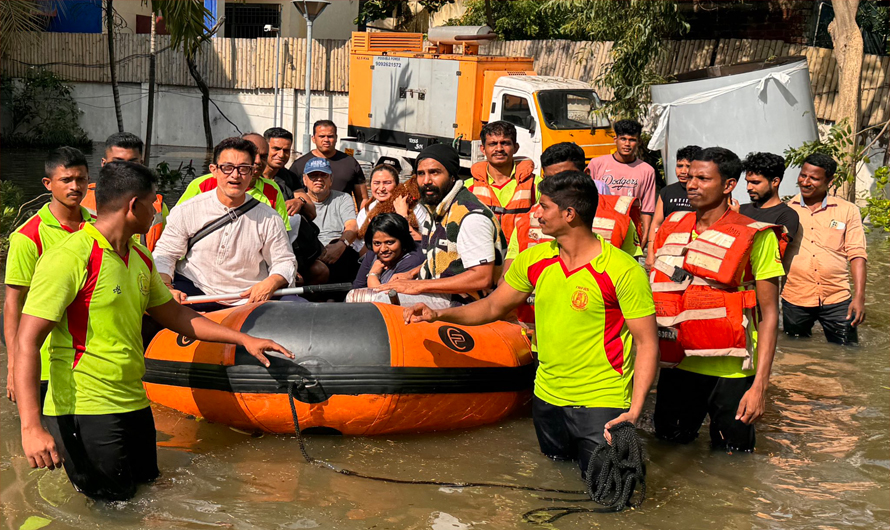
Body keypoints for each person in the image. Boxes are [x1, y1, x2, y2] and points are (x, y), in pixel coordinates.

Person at [13, 160, 292, 501]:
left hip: (133, 399)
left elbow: (175, 314)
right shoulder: (70, 257)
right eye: (152, 204)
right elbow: (27, 341)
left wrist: (243, 338)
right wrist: (31, 427)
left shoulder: (140, 256)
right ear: (133, 205)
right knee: (110, 508)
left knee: (146, 493)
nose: (157, 213)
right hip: (83, 407)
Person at [405, 171, 658, 477]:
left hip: (602, 402)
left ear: (569, 214)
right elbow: (493, 306)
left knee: (609, 492)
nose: (536, 214)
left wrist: (634, 411)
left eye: (544, 207)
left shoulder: (623, 270)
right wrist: (437, 315)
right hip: (547, 398)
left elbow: (647, 343)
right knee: (554, 477)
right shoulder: (535, 259)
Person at [650, 147, 784, 453]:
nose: (691, 184)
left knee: (734, 459)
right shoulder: (671, 226)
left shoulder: (757, 235)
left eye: (703, 178)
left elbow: (769, 314)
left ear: (728, 185)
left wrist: (760, 386)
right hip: (678, 365)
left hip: (732, 372)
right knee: (666, 450)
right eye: (690, 177)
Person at [152, 137, 297, 311]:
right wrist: (166, 287)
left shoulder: (269, 218)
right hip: (195, 290)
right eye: (227, 168)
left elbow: (284, 261)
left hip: (250, 297)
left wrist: (271, 282)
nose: (235, 175)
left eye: (243, 168)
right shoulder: (187, 210)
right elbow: (165, 254)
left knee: (299, 309)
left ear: (252, 172)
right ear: (214, 170)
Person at [4, 147, 93, 404]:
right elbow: (13, 303)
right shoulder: (27, 236)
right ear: (48, 183)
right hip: (44, 361)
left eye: (81, 179)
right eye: (66, 180)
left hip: (89, 359)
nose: (75, 186)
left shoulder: (98, 227)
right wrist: (14, 364)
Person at [382, 144, 505, 308]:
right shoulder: (437, 209)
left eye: (435, 172)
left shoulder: (471, 217)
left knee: (370, 300)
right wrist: (411, 274)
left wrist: (417, 285)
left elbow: (482, 278)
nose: (426, 181)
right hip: (442, 294)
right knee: (363, 295)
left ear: (452, 176)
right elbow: (444, 261)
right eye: (421, 173)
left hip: (467, 305)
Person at [506, 142, 640, 277]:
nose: (557, 187)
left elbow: (631, 274)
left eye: (566, 178)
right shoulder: (529, 219)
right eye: (550, 180)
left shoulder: (618, 217)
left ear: (586, 174)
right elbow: (508, 278)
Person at [782, 153, 867, 345]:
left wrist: (859, 298)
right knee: (794, 350)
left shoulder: (847, 210)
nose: (805, 182)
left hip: (837, 297)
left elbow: (857, 254)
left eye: (814, 178)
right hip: (795, 296)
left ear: (830, 181)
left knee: (847, 352)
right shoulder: (786, 210)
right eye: (803, 175)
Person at [177, 133, 291, 231]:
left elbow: (280, 233)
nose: (257, 161)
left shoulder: (272, 190)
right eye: (252, 155)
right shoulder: (202, 185)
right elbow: (178, 224)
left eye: (263, 157)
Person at [81, 132, 168, 251]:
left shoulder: (157, 206)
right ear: (104, 164)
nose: (125, 169)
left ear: (142, 165)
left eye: (132, 163)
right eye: (117, 163)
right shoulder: (81, 199)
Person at [464, 121, 539, 240]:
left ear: (516, 148)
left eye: (505, 143)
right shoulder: (468, 187)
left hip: (523, 251)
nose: (499, 149)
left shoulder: (536, 184)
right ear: (483, 149)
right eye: (493, 144)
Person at [587, 119, 656, 244]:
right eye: (623, 139)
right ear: (615, 140)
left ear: (639, 142)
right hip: (600, 227)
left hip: (630, 230)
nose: (627, 144)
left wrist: (645, 235)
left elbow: (647, 209)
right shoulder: (596, 164)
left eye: (632, 140)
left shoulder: (647, 170)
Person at [732, 152, 800, 271]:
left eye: (755, 182)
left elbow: (772, 253)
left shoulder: (787, 216)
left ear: (775, 182)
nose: (749, 187)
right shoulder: (741, 209)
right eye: (747, 182)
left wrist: (738, 221)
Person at [303, 156, 361, 288]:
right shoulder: (298, 201)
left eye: (323, 175)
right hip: (310, 255)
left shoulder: (343, 198)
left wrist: (341, 244)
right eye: (313, 175)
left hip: (338, 254)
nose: (319, 179)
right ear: (304, 180)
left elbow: (352, 226)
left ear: (331, 180)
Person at [645, 145, 701, 269]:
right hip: (667, 253)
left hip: (694, 254)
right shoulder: (667, 192)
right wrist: (650, 253)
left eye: (688, 166)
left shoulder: (704, 192)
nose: (683, 171)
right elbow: (656, 223)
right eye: (679, 166)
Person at [291, 120, 367, 206]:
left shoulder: (350, 163)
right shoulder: (299, 165)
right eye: (322, 136)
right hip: (310, 213)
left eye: (330, 136)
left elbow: (363, 199)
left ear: (336, 138)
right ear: (313, 138)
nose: (326, 140)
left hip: (342, 213)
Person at [354, 164, 428, 251]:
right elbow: (358, 245)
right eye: (376, 183)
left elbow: (425, 243)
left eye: (387, 183)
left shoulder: (414, 208)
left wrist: (403, 216)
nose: (381, 188)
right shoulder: (367, 210)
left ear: (397, 185)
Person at [352, 213, 425, 290]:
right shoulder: (373, 253)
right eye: (377, 243)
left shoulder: (413, 260)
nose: (383, 249)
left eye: (389, 242)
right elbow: (357, 288)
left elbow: (385, 295)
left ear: (403, 240)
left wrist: (373, 275)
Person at [262, 127, 316, 220]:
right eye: (276, 149)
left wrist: (300, 201)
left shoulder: (290, 177)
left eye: (286, 150)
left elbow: (312, 213)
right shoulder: (251, 175)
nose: (281, 155)